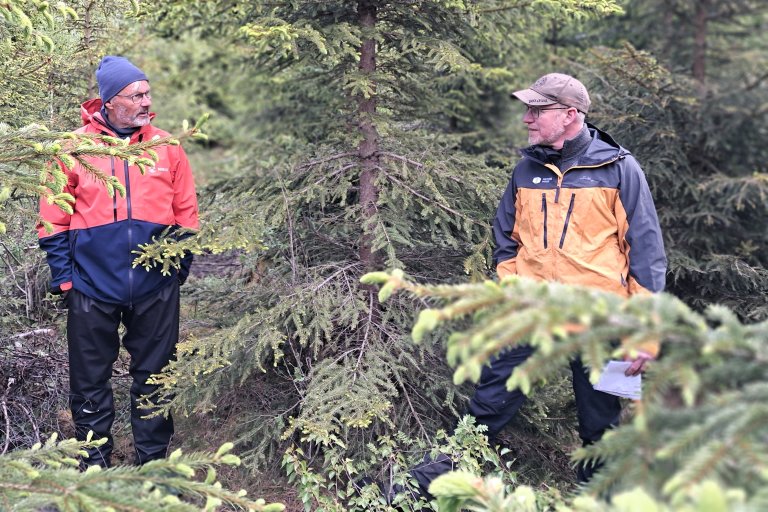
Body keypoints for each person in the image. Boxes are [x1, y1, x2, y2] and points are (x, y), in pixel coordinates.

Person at [406, 72, 667, 498]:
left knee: (600, 423)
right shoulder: (527, 170)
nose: (527, 118)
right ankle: (428, 489)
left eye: (537, 110)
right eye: (527, 109)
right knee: (487, 404)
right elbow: (505, 241)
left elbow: (647, 254)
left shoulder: (619, 169)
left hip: (602, 319)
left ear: (569, 115)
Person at [38, 55, 199, 468]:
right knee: (90, 382)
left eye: (148, 93)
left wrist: (176, 267)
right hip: (92, 287)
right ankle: (93, 467)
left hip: (155, 287)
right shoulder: (73, 148)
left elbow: (185, 211)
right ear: (109, 101)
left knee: (156, 378)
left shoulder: (167, 147)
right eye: (137, 95)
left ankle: (155, 466)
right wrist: (66, 278)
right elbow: (52, 217)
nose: (147, 102)